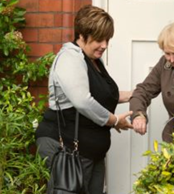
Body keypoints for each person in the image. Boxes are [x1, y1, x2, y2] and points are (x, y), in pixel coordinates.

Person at [35, 5, 132, 194]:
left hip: (90, 152)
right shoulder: (70, 58)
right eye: (99, 39)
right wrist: (114, 121)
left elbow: (102, 94)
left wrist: (136, 94)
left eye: (107, 39)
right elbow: (82, 100)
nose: (104, 45)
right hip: (68, 149)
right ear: (81, 35)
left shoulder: (93, 60)